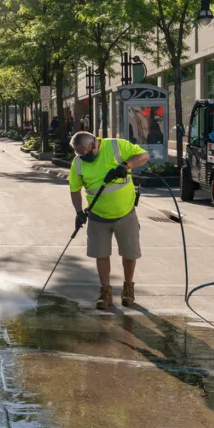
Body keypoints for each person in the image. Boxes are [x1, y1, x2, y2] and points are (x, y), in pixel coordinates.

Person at [69, 131, 150, 310]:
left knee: (129, 253)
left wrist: (125, 165)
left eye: (84, 152)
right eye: (78, 153)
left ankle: (128, 287)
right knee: (101, 254)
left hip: (125, 213)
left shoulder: (116, 146)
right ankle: (105, 291)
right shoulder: (79, 163)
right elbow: (75, 189)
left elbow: (144, 156)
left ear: (93, 145)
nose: (82, 156)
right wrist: (78, 212)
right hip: (98, 216)